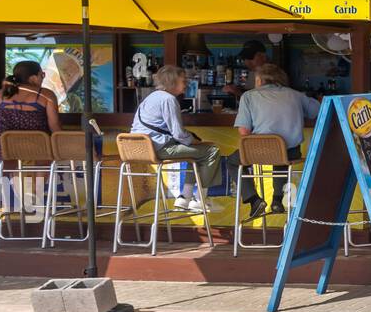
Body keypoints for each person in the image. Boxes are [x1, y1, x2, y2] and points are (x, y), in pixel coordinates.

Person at [234, 63, 320, 219]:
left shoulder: (248, 96)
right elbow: (317, 112)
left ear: (259, 80)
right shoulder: (296, 95)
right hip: (290, 153)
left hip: (258, 151)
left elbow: (243, 131)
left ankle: (253, 199)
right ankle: (277, 201)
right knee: (281, 157)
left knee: (232, 161)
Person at [131, 65, 222, 211]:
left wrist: (192, 142)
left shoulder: (151, 97)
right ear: (172, 82)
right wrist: (194, 141)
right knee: (211, 151)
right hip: (158, 148)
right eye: (183, 80)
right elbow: (179, 134)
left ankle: (184, 198)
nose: (186, 84)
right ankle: (199, 198)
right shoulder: (168, 99)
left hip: (139, 149)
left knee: (197, 154)